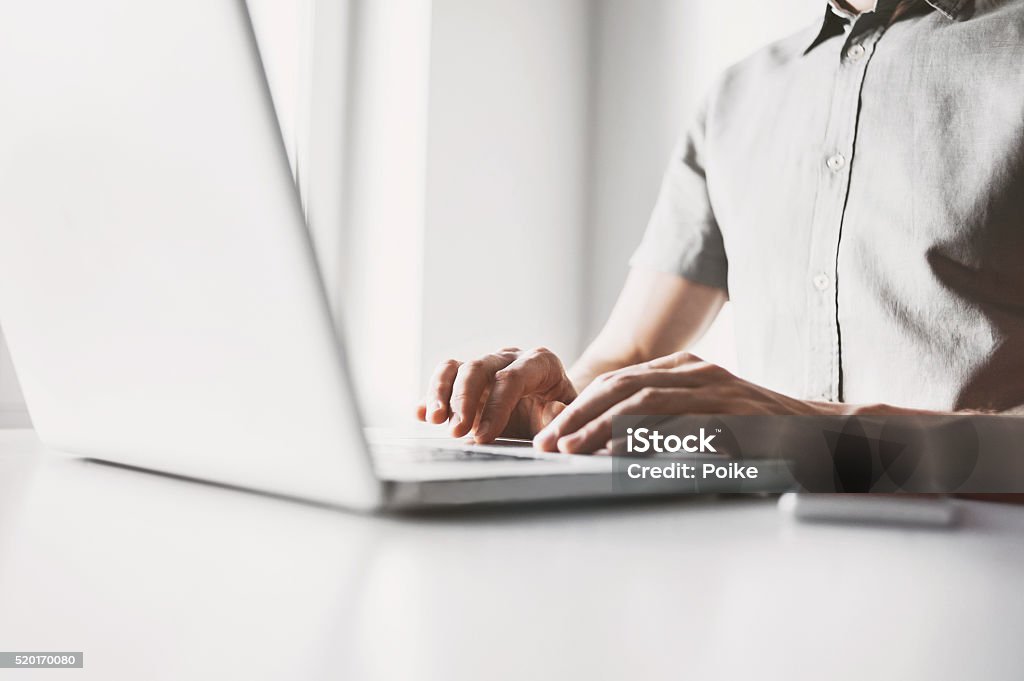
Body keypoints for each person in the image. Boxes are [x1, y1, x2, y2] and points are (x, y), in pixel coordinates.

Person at [416, 0, 1024, 457]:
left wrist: (823, 430)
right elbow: (631, 352)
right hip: (757, 551)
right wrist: (545, 407)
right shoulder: (736, 96)